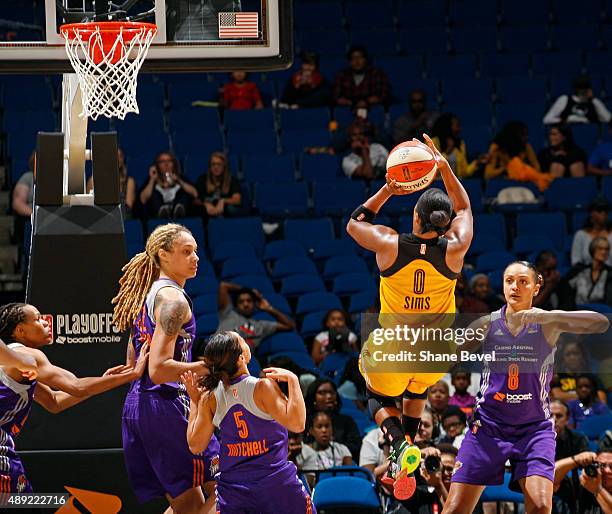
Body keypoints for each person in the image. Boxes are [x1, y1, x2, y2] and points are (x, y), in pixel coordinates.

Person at [347, 133, 473, 499]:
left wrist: (388, 190)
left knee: (376, 394)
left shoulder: (388, 243)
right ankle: (404, 456)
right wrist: (446, 168)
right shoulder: (455, 249)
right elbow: (464, 209)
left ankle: (400, 446)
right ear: (444, 222)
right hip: (438, 350)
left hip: (395, 346)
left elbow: (355, 222)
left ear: (415, 218)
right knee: (416, 388)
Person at [442, 260, 610, 514]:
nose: (515, 287)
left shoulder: (547, 323)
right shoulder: (486, 324)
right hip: (488, 427)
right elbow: (448, 357)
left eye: (523, 281)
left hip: (533, 430)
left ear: (536, 286)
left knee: (542, 506)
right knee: (454, 510)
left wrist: (547, 315)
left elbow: (601, 323)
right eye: (509, 281)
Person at [112, 223, 220, 513]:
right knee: (226, 485)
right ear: (163, 254)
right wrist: (210, 366)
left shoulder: (146, 298)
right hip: (167, 403)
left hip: (140, 404)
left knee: (189, 504)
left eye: (196, 251)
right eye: (186, 252)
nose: (195, 257)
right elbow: (159, 369)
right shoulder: (173, 301)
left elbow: (133, 364)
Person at [0, 302, 148, 493]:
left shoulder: (16, 363)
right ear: (20, 331)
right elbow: (77, 386)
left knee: (28, 503)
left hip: (7, 447)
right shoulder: (27, 355)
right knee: (24, 504)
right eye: (37, 319)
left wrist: (105, 381)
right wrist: (133, 374)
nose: (45, 322)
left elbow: (54, 401)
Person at [181, 331, 315, 513]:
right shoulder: (262, 387)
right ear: (241, 357)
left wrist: (195, 403)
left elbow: (195, 445)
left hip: (234, 490)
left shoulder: (209, 397)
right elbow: (298, 424)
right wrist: (293, 380)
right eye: (243, 341)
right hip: (274, 482)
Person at [217, 282, 295, 349]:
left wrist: (269, 309)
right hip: (216, 351)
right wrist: (251, 292)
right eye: (241, 302)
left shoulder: (261, 326)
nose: (245, 304)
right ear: (236, 306)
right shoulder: (228, 313)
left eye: (249, 301)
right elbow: (223, 286)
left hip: (238, 361)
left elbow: (289, 325)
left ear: (254, 304)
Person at [484, 121, 553, 192]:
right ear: (513, 136)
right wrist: (504, 169)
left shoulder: (526, 146)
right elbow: (488, 174)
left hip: (523, 184)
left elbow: (537, 168)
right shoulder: (497, 148)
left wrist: (525, 172)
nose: (526, 138)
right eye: (523, 135)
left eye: (526, 135)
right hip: (502, 186)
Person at [304, 378, 362, 460]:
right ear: (313, 398)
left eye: (331, 392)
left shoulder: (347, 421)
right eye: (322, 393)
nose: (329, 396)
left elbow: (355, 447)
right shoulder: (305, 422)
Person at [551, 399, 591, 514]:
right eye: (549, 415)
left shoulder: (577, 439)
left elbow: (587, 466)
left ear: (567, 419)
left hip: (569, 488)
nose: (553, 419)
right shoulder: (533, 439)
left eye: (559, 416)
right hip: (540, 485)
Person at [139, 151, 198, 219]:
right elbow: (142, 199)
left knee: (183, 193)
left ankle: (179, 211)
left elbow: (195, 194)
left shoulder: (180, 178)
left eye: (169, 161)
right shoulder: (152, 180)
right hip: (158, 214)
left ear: (173, 164)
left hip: (179, 212)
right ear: (157, 165)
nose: (166, 164)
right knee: (154, 195)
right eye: (162, 161)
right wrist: (152, 179)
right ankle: (162, 212)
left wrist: (179, 181)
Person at [551, 337, 608, 404]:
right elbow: (556, 395)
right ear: (563, 358)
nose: (572, 357)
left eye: (575, 353)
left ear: (582, 356)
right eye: (568, 354)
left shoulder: (591, 377)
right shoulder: (558, 376)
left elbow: (602, 400)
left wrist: (567, 396)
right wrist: (586, 396)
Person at [554, 449, 612, 514]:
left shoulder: (595, 488)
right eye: (602, 465)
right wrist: (575, 460)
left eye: (611, 466)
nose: (607, 470)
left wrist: (597, 490)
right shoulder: (580, 485)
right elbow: (549, 476)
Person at [333, 45, 390, 109]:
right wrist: (351, 103)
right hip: (348, 109)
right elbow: (336, 96)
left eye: (360, 57)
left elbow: (383, 94)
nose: (357, 61)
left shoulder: (377, 74)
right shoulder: (342, 75)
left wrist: (366, 102)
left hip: (372, 109)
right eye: (353, 58)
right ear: (349, 62)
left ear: (365, 60)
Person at [87, 148, 136, 218]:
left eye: (120, 156)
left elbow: (128, 207)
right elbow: (88, 206)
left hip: (122, 217)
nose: (118, 159)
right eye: (115, 156)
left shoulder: (129, 181)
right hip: (99, 218)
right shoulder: (93, 180)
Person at [431, 113, 484, 178]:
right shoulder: (432, 142)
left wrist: (477, 162)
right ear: (448, 127)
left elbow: (464, 172)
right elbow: (431, 171)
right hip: (437, 185)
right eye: (457, 126)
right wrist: (447, 152)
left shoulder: (460, 144)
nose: (460, 129)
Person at [543, 76, 611, 125]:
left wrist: (593, 99)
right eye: (580, 88)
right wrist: (566, 120)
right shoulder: (565, 99)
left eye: (585, 88)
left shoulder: (595, 102)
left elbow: (608, 119)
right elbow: (547, 120)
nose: (582, 91)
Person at [565, 237, 612, 307]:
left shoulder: (610, 273)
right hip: (578, 312)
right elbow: (566, 290)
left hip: (601, 313)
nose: (604, 252)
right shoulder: (579, 270)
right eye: (600, 248)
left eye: (607, 249)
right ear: (593, 250)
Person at [194, 152, 242, 219]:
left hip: (225, 213)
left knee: (230, 209)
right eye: (213, 164)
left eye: (219, 164)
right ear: (210, 167)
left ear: (224, 166)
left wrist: (223, 201)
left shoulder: (232, 180)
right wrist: (206, 204)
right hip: (207, 213)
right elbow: (195, 200)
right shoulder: (202, 179)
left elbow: (237, 200)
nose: (216, 167)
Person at [571, 197, 612, 267]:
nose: (603, 213)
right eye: (599, 210)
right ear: (591, 213)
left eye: (606, 210)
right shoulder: (580, 235)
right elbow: (575, 262)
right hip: (586, 275)